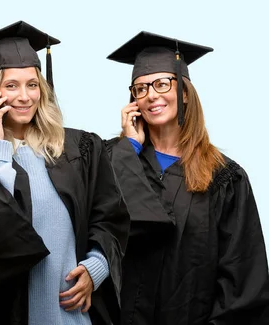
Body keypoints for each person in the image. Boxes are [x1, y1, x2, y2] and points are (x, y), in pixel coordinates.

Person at [0, 21, 130, 325]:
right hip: (8, 315)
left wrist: (96, 268)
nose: (24, 96)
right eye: (11, 85)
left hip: (73, 315)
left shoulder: (79, 149)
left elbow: (110, 216)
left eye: (32, 84)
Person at [105, 31, 269, 325]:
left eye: (161, 83)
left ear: (183, 91)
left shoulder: (224, 177)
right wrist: (127, 148)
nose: (151, 95)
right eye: (140, 89)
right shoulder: (113, 160)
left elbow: (242, 280)